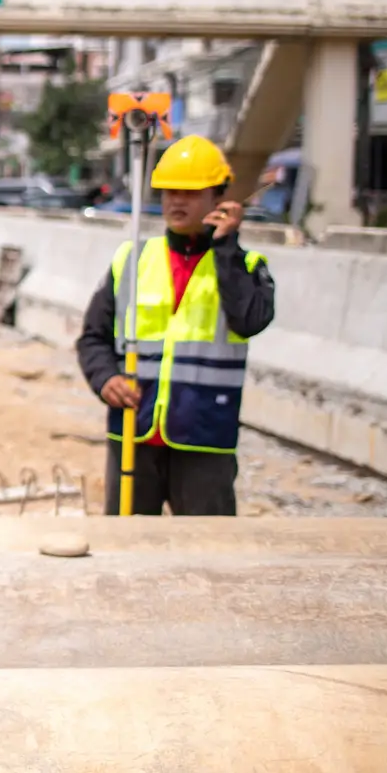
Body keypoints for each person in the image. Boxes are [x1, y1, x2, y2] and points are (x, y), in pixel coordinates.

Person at [75, 134, 275, 516]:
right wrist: (105, 378)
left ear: (219, 199)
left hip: (204, 439)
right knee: (127, 555)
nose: (175, 201)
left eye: (189, 192)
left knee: (206, 555)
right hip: (134, 433)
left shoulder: (245, 267)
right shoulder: (133, 258)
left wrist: (226, 248)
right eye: (168, 192)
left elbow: (249, 320)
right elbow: (93, 337)